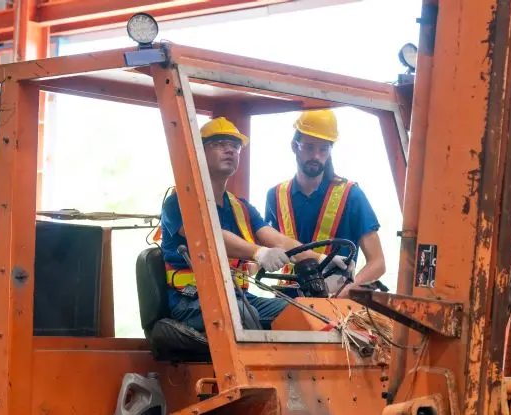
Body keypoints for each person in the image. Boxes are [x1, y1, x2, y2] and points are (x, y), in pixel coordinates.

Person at [159, 116, 347, 331]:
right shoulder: (179, 201)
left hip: (240, 299)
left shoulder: (241, 207)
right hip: (191, 302)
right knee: (244, 315)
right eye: (220, 144)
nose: (230, 150)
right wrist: (259, 253)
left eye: (235, 146)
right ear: (198, 152)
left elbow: (277, 239)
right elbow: (210, 235)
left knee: (306, 314)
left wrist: (323, 259)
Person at [265, 109, 386, 298]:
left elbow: (377, 263)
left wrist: (344, 294)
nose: (316, 156)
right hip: (286, 299)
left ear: (330, 152)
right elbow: (265, 244)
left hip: (334, 301)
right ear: (294, 146)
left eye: (323, 149)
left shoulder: (351, 195)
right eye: (309, 147)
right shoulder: (275, 196)